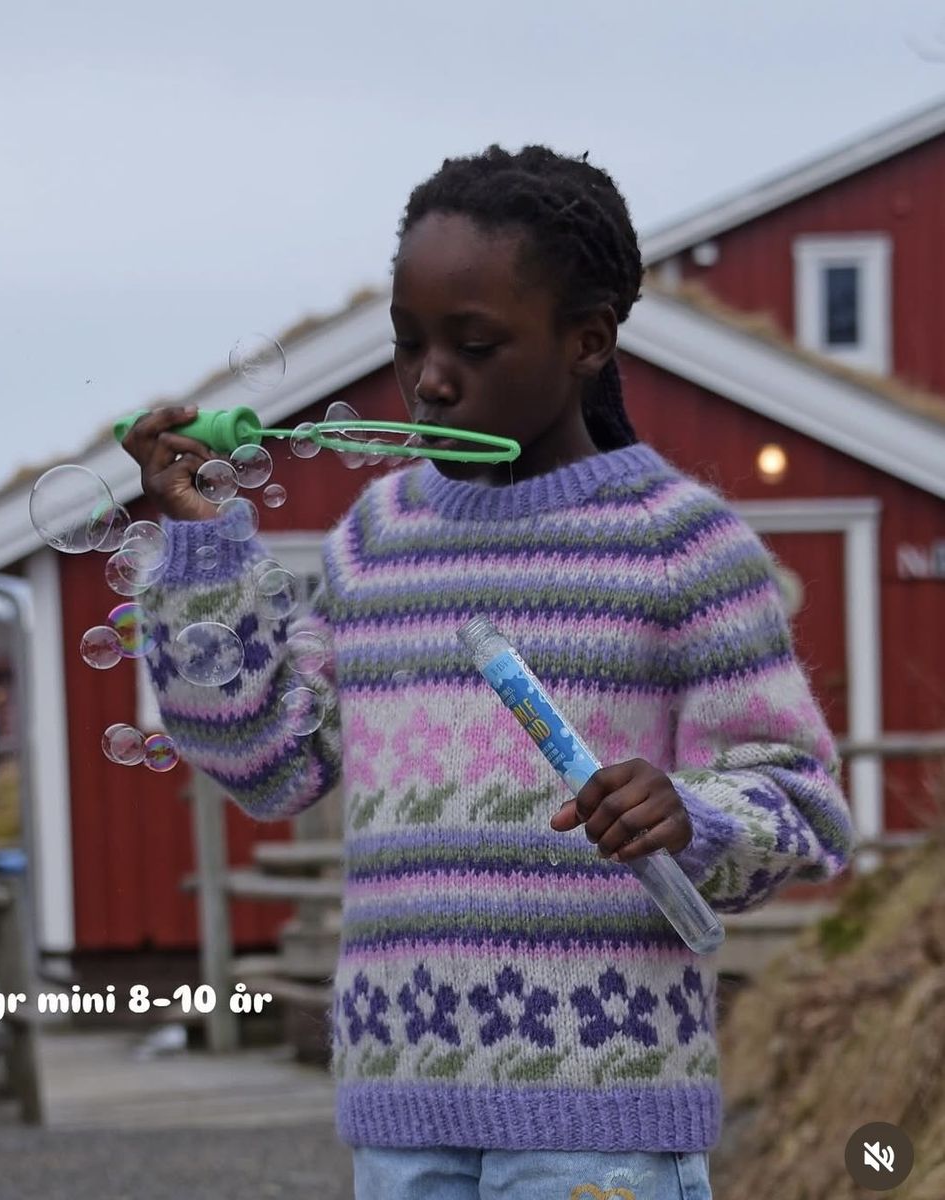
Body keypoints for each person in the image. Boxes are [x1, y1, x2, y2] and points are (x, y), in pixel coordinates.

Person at [121, 144, 857, 1200]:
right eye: (408, 342)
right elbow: (272, 763)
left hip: (603, 1120)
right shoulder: (376, 538)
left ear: (587, 340)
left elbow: (805, 807)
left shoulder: (680, 544)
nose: (428, 378)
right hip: (400, 1114)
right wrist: (201, 552)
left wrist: (690, 815)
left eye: (472, 345)